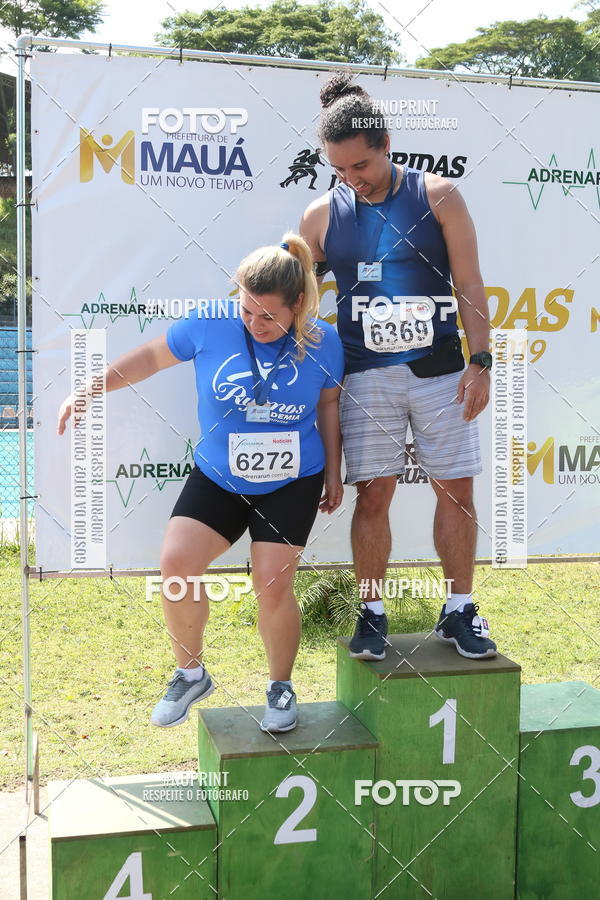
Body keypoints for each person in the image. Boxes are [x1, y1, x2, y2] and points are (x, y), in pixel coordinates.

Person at [57, 233, 345, 732]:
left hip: (292, 478)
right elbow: (149, 358)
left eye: (269, 317)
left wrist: (335, 472)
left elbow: (327, 406)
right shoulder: (210, 323)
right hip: (219, 473)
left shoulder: (323, 340)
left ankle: (280, 688)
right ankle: (190, 673)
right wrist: (89, 389)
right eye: (248, 312)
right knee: (175, 564)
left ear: (298, 305)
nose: (255, 325)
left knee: (272, 585)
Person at [300, 72, 497, 662]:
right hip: (365, 376)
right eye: (339, 171)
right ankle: (372, 612)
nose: (351, 180)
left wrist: (480, 361)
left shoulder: (439, 196)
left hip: (439, 371)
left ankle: (459, 610)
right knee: (375, 496)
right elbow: (296, 300)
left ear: (385, 144)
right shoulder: (319, 216)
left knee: (456, 492)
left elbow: (468, 284)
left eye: (359, 166)